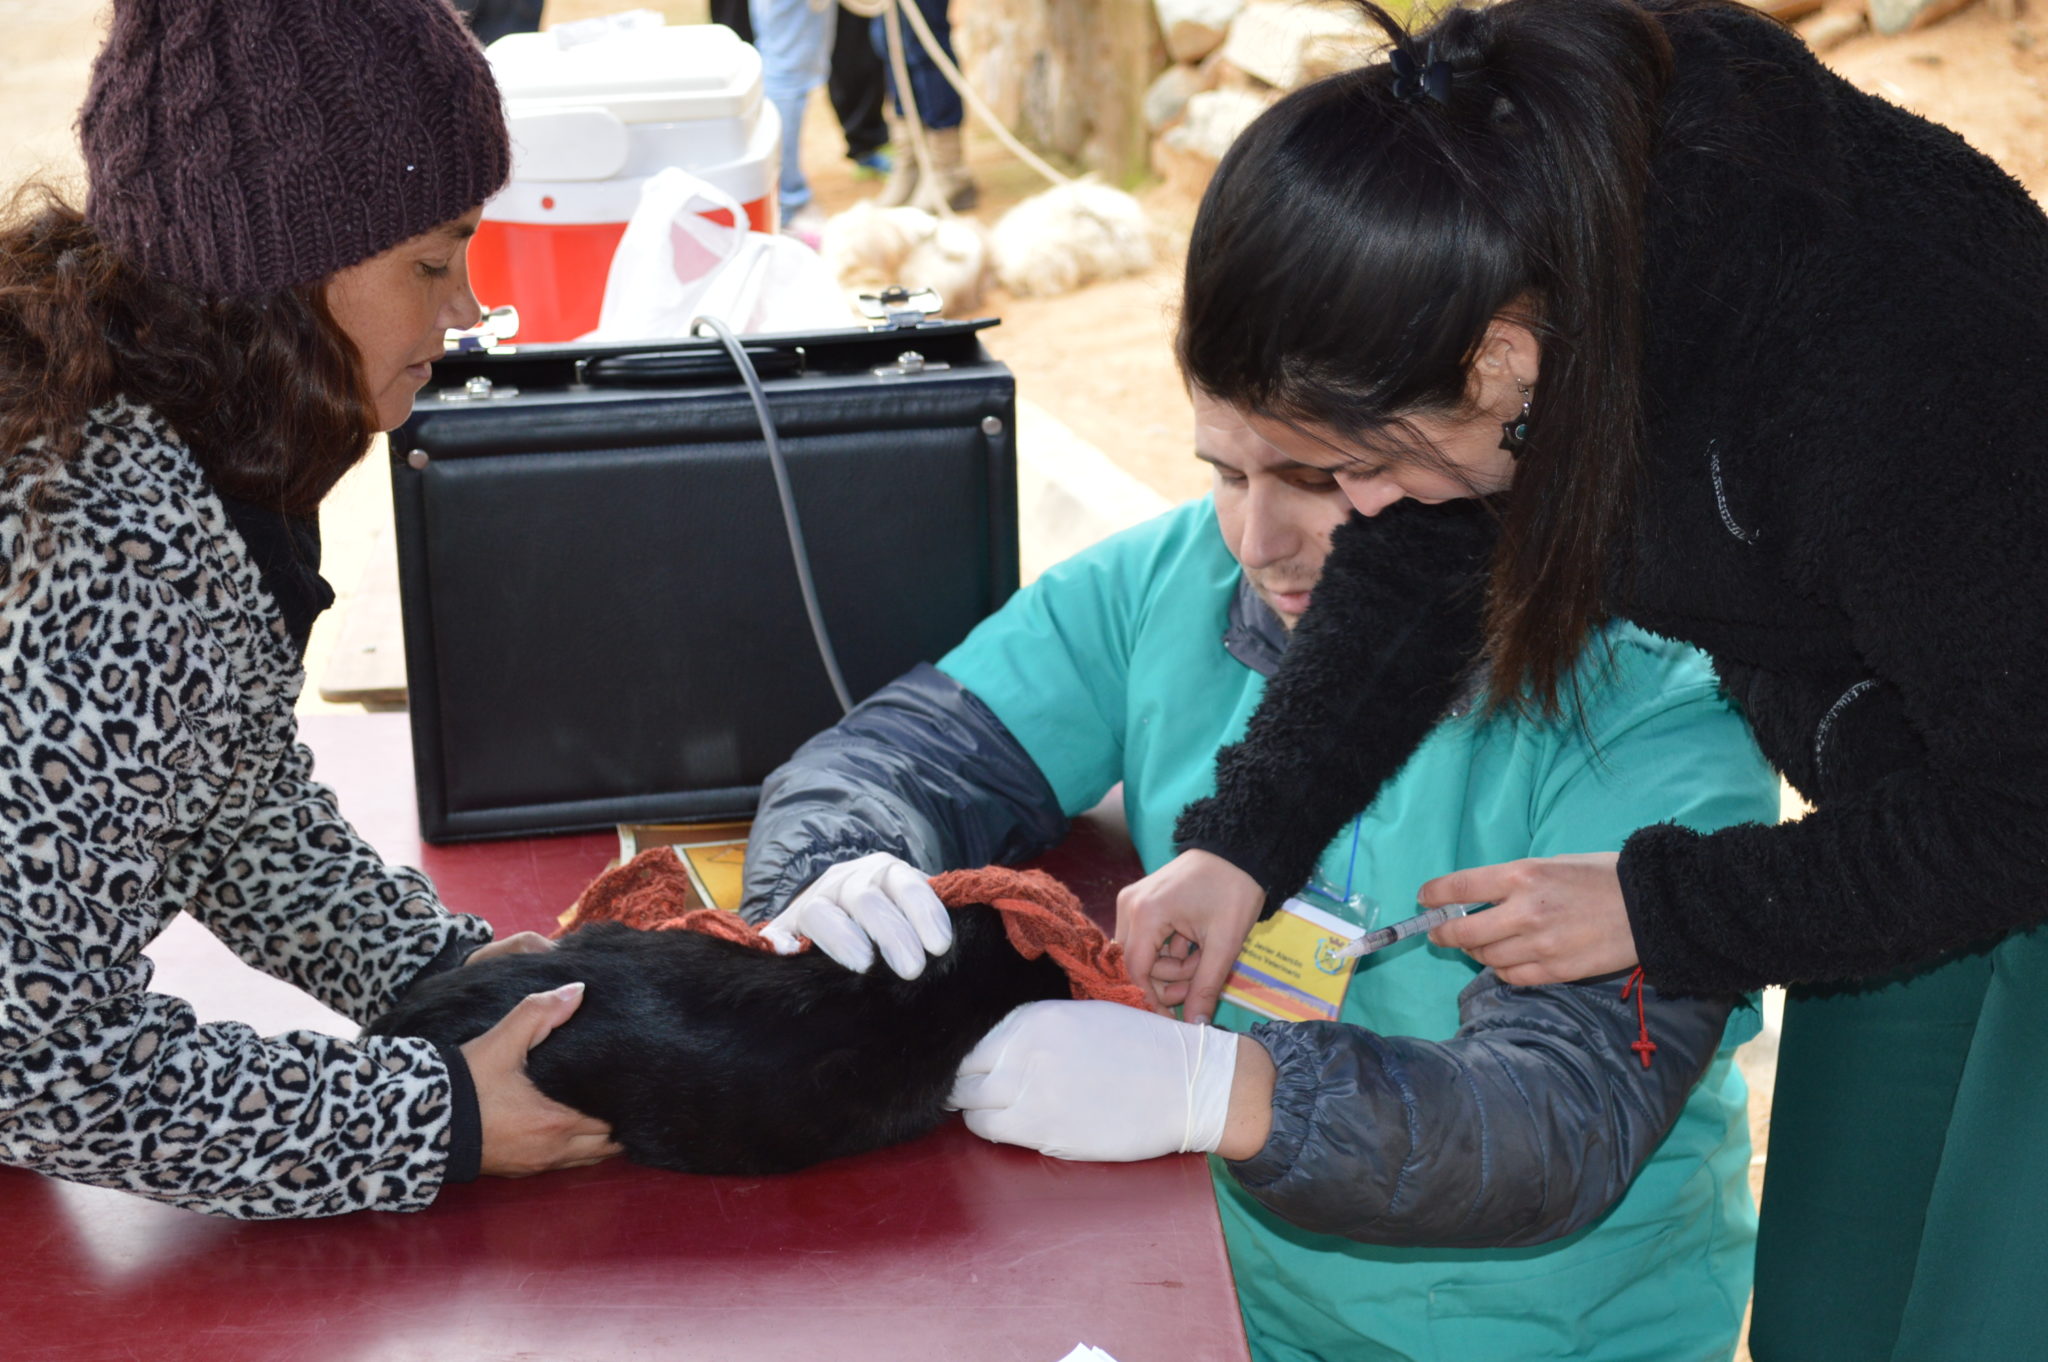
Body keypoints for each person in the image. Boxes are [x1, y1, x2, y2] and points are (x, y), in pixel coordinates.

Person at [1109, 1, 2048, 1356]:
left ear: (1502, 361)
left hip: (2012, 793)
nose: (1353, 512)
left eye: (1350, 462)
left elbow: (2025, 803)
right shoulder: (1520, 247)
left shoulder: (1868, 361)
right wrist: (1245, 842)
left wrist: (1660, 902)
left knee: (1987, 1318)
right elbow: (1436, 531)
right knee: (1837, 1309)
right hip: (1916, 791)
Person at [741, 390, 1779, 1360]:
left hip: (1536, 1334)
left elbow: (1558, 1120)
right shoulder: (1173, 582)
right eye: (1225, 473)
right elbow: (907, 753)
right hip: (1203, 1294)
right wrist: (838, 865)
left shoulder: (1657, 701)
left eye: (1321, 476)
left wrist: (1227, 1094)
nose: (1255, 541)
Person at [0, 0, 617, 1220]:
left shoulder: (189, 430)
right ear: (275, 273)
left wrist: (432, 974)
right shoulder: (104, 534)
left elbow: (226, 796)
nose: (466, 311)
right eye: (431, 262)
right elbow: (37, 1057)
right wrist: (428, 1117)